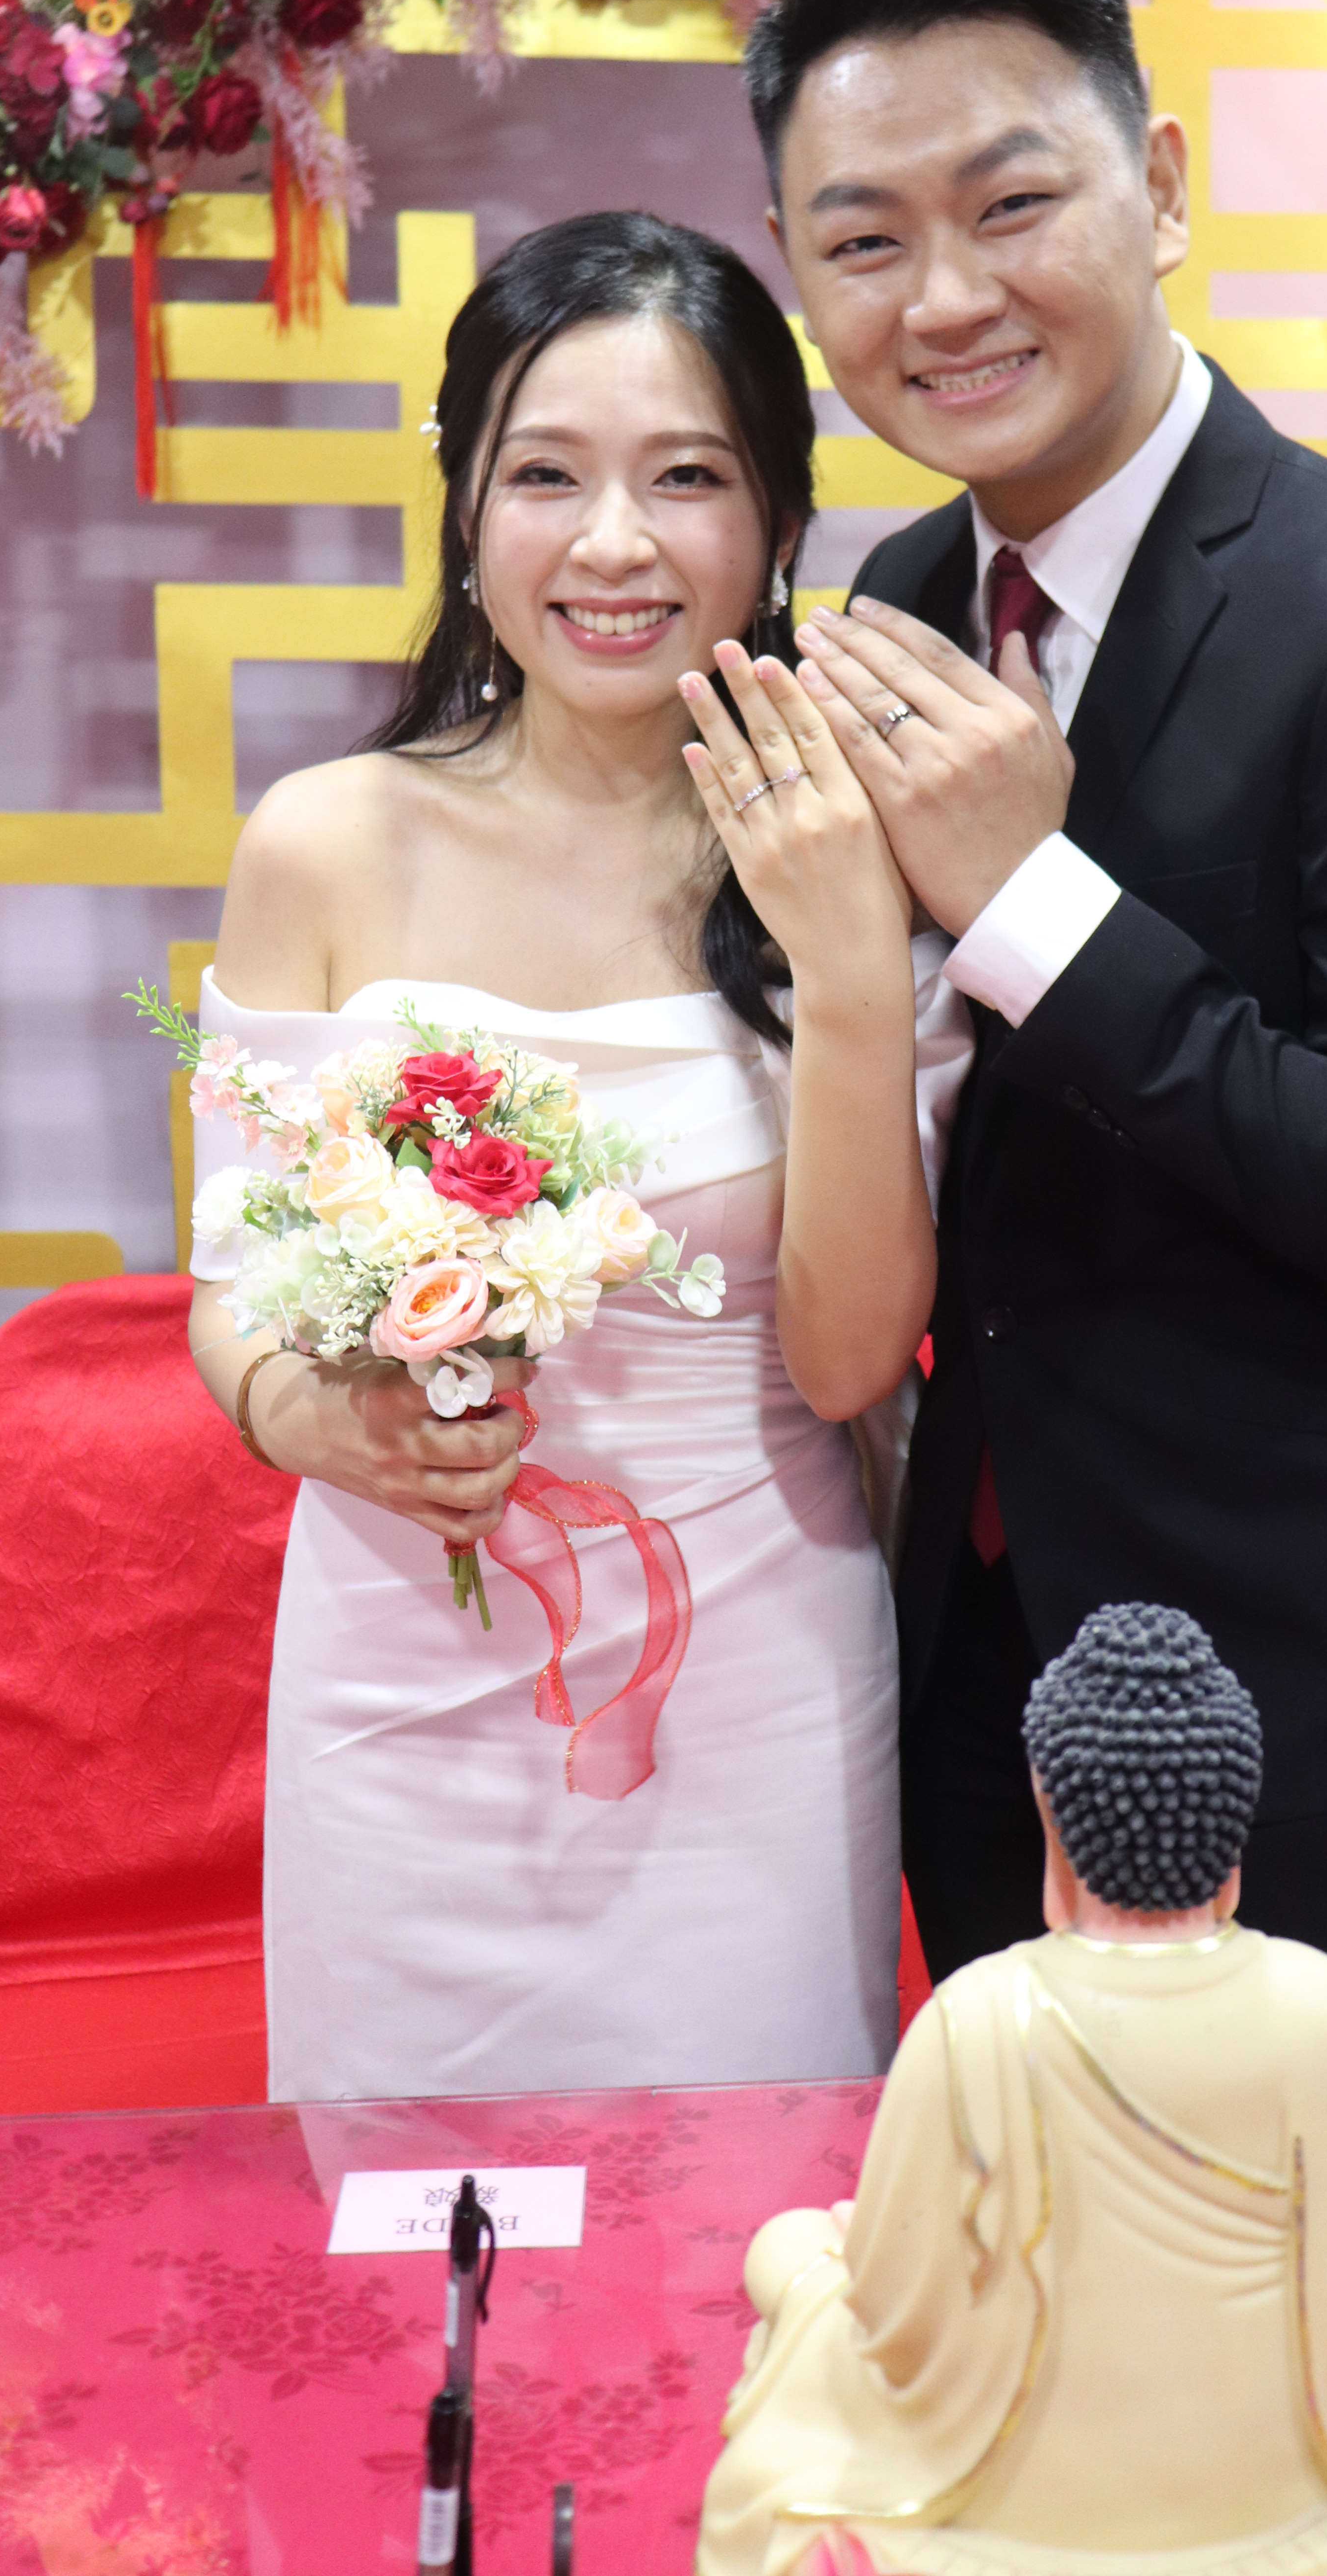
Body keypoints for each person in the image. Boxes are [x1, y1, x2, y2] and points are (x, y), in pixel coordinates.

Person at [744, 0, 1327, 1991]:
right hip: (975, 1638)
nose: (945, 299)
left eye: (1012, 204)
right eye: (863, 241)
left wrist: (1033, 901)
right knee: (1001, 2180)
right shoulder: (899, 606)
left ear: (1163, 189)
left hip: (1291, 1661)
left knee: (1282, 2206)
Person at [185, 211, 971, 2102]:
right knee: (412, 2227)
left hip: (756, 1682)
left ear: (779, 522)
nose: (614, 544)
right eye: (546, 476)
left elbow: (850, 1362)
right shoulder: (326, 843)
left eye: (686, 478)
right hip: (397, 1679)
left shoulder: (861, 852)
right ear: (467, 508)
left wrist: (853, 972)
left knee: (748, 2215)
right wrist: (308, 1413)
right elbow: (234, 1287)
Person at [695, 1604, 1327, 2576]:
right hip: (1269, 2474)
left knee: (792, 2255)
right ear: (1232, 1847)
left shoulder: (977, 2015)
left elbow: (890, 2303)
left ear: (1055, 1831)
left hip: (1017, 2474)